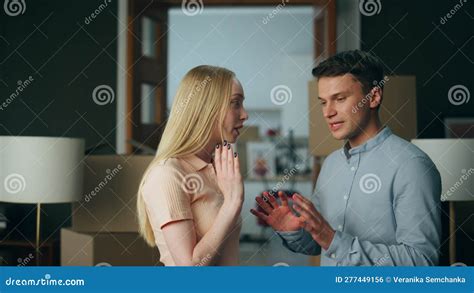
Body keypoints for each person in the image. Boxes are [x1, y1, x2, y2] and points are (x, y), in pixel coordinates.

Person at [251, 50, 442, 266]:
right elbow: (318, 243)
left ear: (374, 97)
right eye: (323, 102)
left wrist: (333, 240)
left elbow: (422, 262)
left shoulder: (412, 166)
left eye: (339, 99)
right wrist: (292, 231)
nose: (328, 112)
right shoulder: (331, 164)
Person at [137, 65, 248, 266]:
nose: (244, 114)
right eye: (235, 103)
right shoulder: (167, 175)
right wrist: (232, 204)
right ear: (206, 108)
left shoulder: (216, 168)